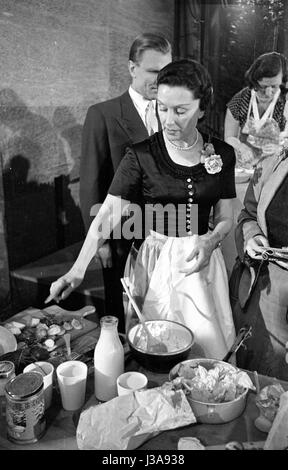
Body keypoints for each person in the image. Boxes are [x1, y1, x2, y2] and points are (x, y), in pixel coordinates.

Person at [47, 59, 236, 360]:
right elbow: (107, 214)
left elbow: (226, 217)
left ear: (202, 109)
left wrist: (212, 240)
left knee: (207, 352)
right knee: (157, 348)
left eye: (180, 110)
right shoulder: (141, 155)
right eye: (162, 108)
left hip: (203, 267)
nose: (169, 120)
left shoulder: (223, 154)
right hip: (155, 261)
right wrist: (78, 269)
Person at [80, 33, 172, 331]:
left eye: (166, 70)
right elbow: (92, 183)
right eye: (153, 71)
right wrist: (101, 243)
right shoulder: (103, 114)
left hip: (166, 232)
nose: (161, 78)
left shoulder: (173, 112)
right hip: (121, 234)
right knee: (120, 312)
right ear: (132, 68)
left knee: (160, 306)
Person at [230, 150, 288, 381]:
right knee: (256, 372)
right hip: (267, 285)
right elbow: (249, 214)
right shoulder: (272, 164)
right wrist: (252, 235)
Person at [224, 52, 288, 170]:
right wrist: (241, 147)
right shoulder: (240, 100)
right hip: (245, 166)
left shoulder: (285, 102)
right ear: (254, 81)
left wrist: (281, 147)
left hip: (274, 168)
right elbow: (229, 137)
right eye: (263, 87)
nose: (268, 93)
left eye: (274, 86)